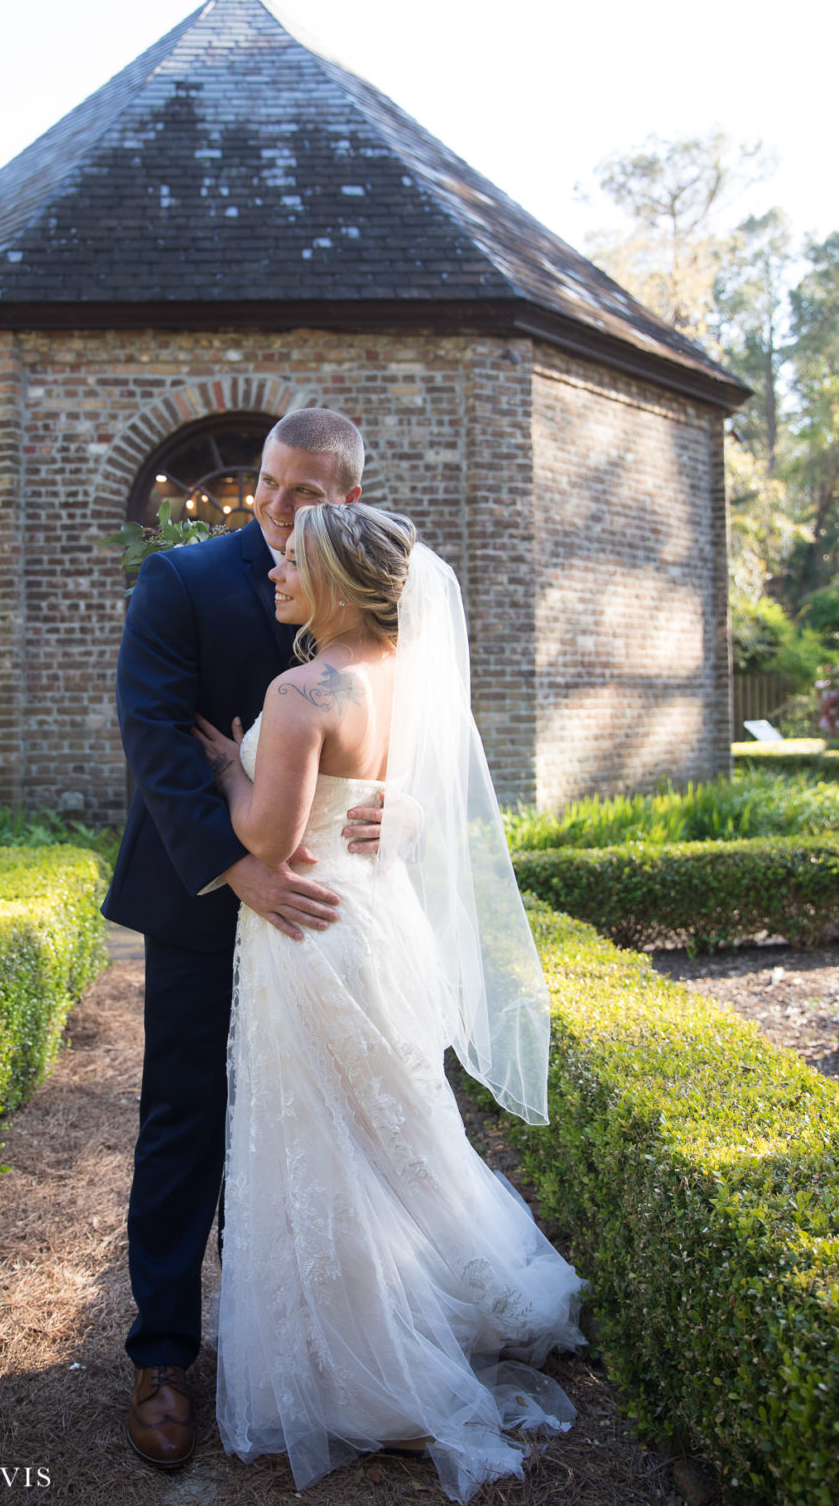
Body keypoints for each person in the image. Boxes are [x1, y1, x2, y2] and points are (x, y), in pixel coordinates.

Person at [193, 503, 583, 1504]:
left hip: (307, 931)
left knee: (325, 1140)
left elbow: (269, 844)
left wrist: (225, 765)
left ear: (332, 581)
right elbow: (410, 793)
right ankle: (458, 1305)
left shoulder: (298, 691)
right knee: (398, 1124)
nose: (274, 570)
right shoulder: (408, 678)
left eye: (292, 561)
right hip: (382, 920)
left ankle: (375, 1374)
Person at [103, 408, 382, 1468]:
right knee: (182, 1115)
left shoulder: (381, 583)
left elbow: (411, 716)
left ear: (345, 500)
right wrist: (236, 868)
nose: (272, 505)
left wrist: (394, 805)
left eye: (302, 493)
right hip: (197, 896)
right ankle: (163, 1356)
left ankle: (299, 1343)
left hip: (321, 911)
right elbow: (157, 738)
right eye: (266, 482)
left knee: (305, 1119)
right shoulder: (179, 581)